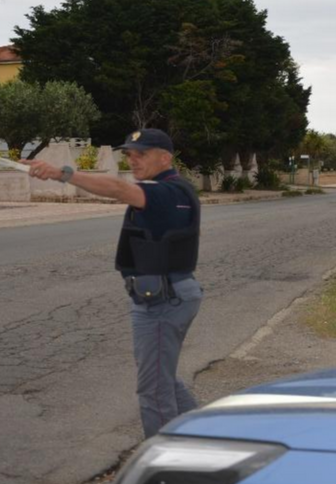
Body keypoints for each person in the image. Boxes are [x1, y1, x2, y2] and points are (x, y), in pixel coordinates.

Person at [22, 128, 202, 438]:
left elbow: (118, 188)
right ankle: (205, 435)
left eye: (141, 154)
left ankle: (164, 460)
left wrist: (62, 173)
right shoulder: (168, 188)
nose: (133, 160)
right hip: (163, 295)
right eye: (130, 154)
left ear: (165, 158)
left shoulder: (169, 192)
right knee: (161, 378)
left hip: (163, 301)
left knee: (154, 388)